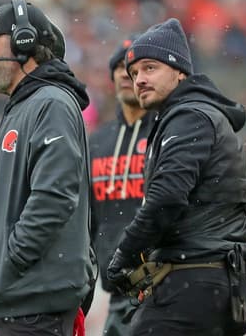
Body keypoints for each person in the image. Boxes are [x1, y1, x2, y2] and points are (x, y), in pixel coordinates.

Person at [107, 18, 246, 335]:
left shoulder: (188, 115)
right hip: (216, 280)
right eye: (134, 73)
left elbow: (166, 199)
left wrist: (124, 253)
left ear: (179, 72)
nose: (139, 80)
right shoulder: (188, 114)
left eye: (150, 68)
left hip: (195, 280)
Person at [0, 0, 95, 336]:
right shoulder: (28, 105)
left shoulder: (50, 103)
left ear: (24, 42)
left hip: (34, 303)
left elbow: (55, 195)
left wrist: (13, 260)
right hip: (24, 301)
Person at [89, 34, 155, 336]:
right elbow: (87, 217)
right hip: (117, 290)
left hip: (163, 287)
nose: (128, 76)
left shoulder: (167, 133)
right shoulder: (97, 142)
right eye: (121, 68)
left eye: (137, 69)